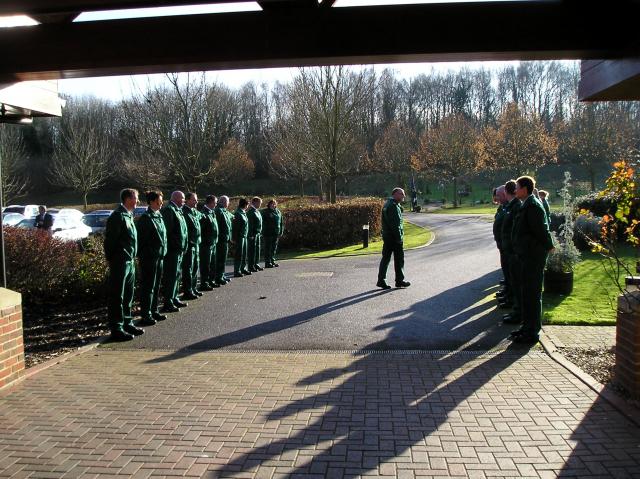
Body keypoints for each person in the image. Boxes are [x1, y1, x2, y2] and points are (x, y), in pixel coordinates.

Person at [510, 176, 554, 344]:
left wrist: (549, 246)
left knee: (533, 294)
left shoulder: (533, 206)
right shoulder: (526, 204)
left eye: (517, 187)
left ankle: (532, 331)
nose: (515, 191)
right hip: (526, 256)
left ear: (525, 189)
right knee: (526, 293)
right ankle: (526, 327)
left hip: (533, 257)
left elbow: (541, 230)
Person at [104, 188, 142, 341]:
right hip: (120, 262)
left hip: (129, 261)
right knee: (117, 296)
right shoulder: (117, 216)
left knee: (128, 295)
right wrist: (113, 259)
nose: (137, 201)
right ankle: (117, 327)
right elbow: (110, 241)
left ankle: (127, 322)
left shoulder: (128, 215)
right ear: (127, 199)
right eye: (135, 198)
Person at [136, 190, 168, 326]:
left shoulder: (158, 215)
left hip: (159, 256)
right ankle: (146, 314)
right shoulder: (146, 218)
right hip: (149, 258)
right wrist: (150, 253)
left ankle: (154, 311)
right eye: (159, 201)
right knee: (148, 287)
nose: (161, 203)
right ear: (151, 202)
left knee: (155, 286)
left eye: (161, 201)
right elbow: (142, 241)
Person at [377, 187, 411, 289]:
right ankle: (399, 280)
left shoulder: (389, 204)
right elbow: (395, 224)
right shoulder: (393, 206)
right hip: (394, 237)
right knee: (399, 259)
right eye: (401, 194)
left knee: (386, 258)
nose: (403, 196)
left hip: (388, 236)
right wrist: (399, 238)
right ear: (395, 194)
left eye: (403, 194)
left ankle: (381, 280)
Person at [499, 180, 522, 325]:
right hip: (508, 249)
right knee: (512, 279)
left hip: (514, 251)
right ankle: (515, 308)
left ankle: (518, 312)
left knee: (517, 283)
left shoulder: (516, 206)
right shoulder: (511, 206)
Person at [161, 191, 188, 312]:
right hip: (172, 251)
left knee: (176, 275)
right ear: (176, 198)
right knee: (171, 277)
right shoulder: (169, 210)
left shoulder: (177, 210)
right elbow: (168, 232)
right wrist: (176, 245)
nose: (184, 201)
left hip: (178, 250)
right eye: (182, 199)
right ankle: (168, 302)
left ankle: (174, 297)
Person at [181, 192, 202, 300]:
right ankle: (187, 291)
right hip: (189, 245)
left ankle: (193, 288)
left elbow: (201, 217)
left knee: (194, 268)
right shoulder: (184, 212)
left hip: (196, 243)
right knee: (188, 269)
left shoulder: (193, 211)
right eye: (194, 200)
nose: (196, 202)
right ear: (187, 200)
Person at [199, 195, 219, 290]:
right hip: (206, 244)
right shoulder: (204, 213)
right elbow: (201, 230)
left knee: (212, 264)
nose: (216, 204)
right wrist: (205, 241)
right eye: (215, 202)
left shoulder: (212, 212)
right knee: (205, 265)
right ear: (210, 202)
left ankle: (211, 281)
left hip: (213, 243)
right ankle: (204, 283)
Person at [492, 185, 508, 299]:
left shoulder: (509, 207)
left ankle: (510, 295)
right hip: (502, 243)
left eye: (498, 195)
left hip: (506, 244)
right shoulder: (503, 207)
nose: (496, 198)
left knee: (509, 270)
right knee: (506, 269)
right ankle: (507, 290)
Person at [214, 195, 232, 285]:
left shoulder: (224, 211)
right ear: (224, 202)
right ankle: (218, 277)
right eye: (228, 202)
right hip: (221, 239)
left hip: (225, 238)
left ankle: (222, 275)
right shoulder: (218, 211)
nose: (228, 204)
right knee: (220, 259)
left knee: (223, 259)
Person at [261, 199, 284, 268]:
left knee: (274, 248)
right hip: (268, 233)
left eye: (274, 204)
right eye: (272, 204)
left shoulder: (278, 212)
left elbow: (281, 223)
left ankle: (272, 261)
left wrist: (281, 231)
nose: (273, 205)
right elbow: (262, 223)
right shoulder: (265, 212)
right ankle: (267, 263)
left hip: (276, 233)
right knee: (268, 248)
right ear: (269, 204)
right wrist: (263, 231)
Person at [233, 197, 250, 277]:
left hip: (244, 236)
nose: (248, 206)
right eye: (247, 204)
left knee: (244, 254)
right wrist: (235, 238)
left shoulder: (243, 212)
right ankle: (237, 270)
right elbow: (236, 227)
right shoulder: (238, 213)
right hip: (239, 237)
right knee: (239, 254)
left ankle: (243, 268)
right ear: (245, 204)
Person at [247, 196, 263, 272]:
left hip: (257, 234)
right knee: (252, 251)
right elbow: (250, 225)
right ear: (255, 202)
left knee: (257, 250)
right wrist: (251, 235)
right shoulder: (250, 212)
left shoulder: (257, 211)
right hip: (252, 234)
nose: (260, 204)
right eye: (259, 203)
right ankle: (251, 266)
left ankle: (256, 264)